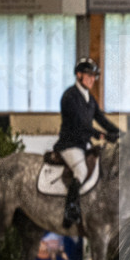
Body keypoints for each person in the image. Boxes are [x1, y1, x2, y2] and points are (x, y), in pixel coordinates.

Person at [53, 57, 122, 228]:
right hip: (70, 144)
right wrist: (104, 136)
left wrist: (119, 133)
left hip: (84, 145)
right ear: (78, 75)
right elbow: (81, 125)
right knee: (82, 171)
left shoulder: (89, 99)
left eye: (94, 76)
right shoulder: (70, 96)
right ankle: (70, 209)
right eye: (89, 75)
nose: (92, 79)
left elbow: (101, 118)